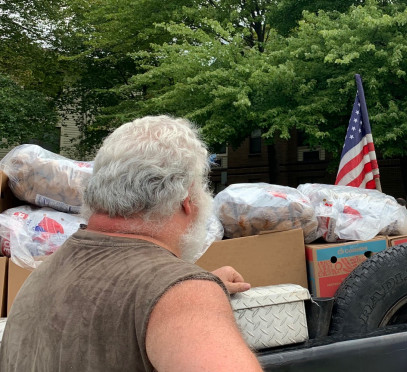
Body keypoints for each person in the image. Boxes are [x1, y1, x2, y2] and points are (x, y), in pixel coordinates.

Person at [0, 116, 264, 372]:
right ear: (187, 199)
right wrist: (190, 291)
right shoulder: (185, 296)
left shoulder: (39, 278)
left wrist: (191, 286)